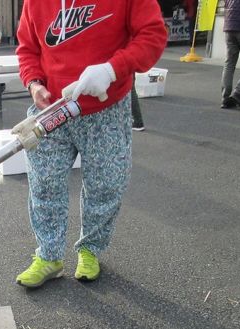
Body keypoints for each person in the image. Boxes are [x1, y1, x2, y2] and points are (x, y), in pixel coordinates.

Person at [13, 0, 166, 287]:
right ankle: (48, 256)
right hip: (53, 108)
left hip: (105, 107)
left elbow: (152, 36)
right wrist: (34, 82)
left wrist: (111, 70)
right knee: (44, 183)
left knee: (106, 183)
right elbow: (28, 47)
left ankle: (90, 250)